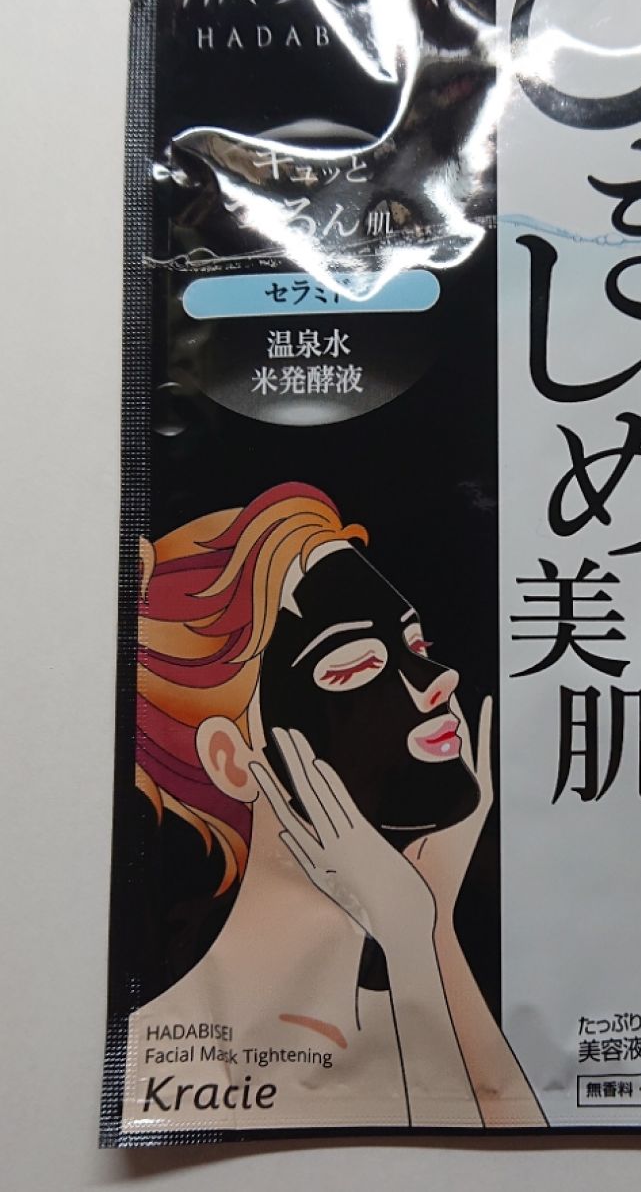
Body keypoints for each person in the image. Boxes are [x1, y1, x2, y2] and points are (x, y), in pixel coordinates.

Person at [127, 481, 543, 1131]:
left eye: (418, 647)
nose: (441, 679)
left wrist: (429, 922)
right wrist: (413, 940)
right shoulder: (170, 1059)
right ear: (233, 759)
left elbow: (516, 1144)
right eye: (354, 667)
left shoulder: (411, 982)